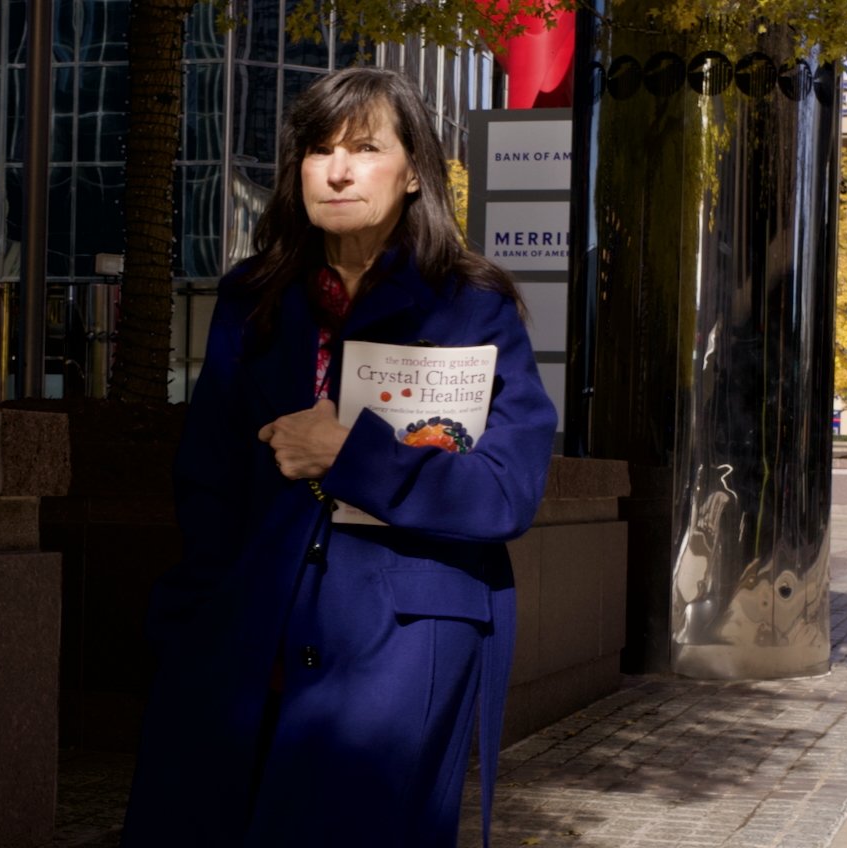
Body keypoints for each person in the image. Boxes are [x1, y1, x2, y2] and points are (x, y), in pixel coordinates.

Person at [121, 67, 557, 848]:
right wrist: (187, 625)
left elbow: (506, 493)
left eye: (365, 147)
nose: (339, 169)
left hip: (402, 644)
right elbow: (207, 479)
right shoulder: (251, 298)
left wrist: (353, 455)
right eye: (319, 150)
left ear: (414, 170)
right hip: (247, 626)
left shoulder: (473, 305)